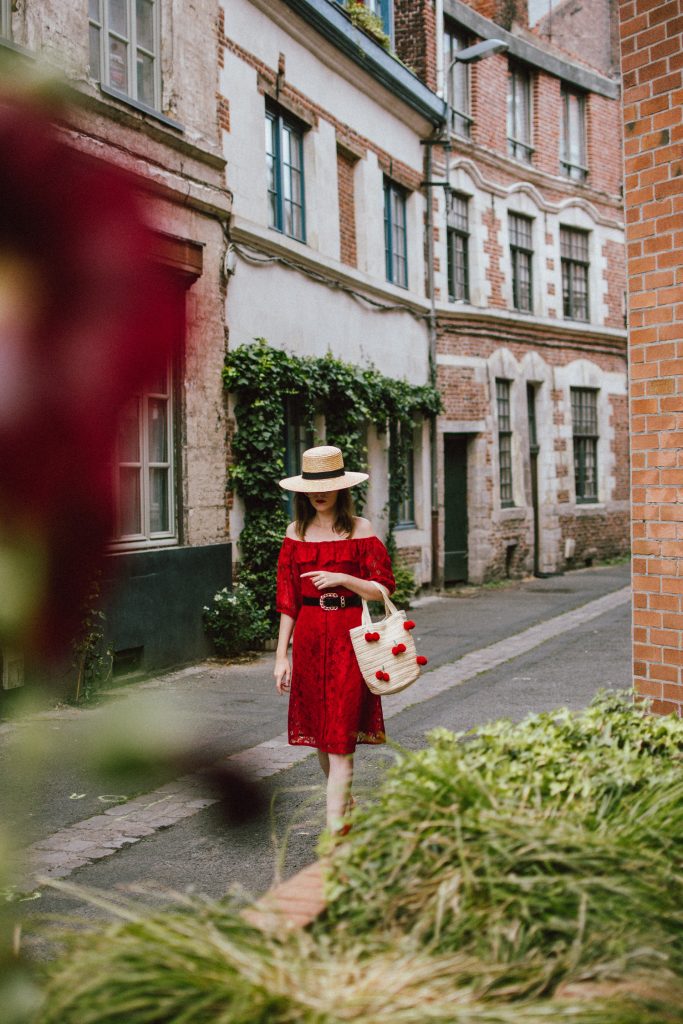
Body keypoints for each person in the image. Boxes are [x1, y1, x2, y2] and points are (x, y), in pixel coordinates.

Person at [274, 445, 395, 834]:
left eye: (328, 485)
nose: (319, 493)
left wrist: (344, 579)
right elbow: (288, 600)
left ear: (342, 488)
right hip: (309, 638)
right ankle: (346, 804)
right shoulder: (295, 534)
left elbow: (384, 589)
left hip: (348, 638)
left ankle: (334, 836)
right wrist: (281, 657)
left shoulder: (361, 530)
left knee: (341, 739)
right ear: (303, 491)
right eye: (312, 486)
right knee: (323, 741)